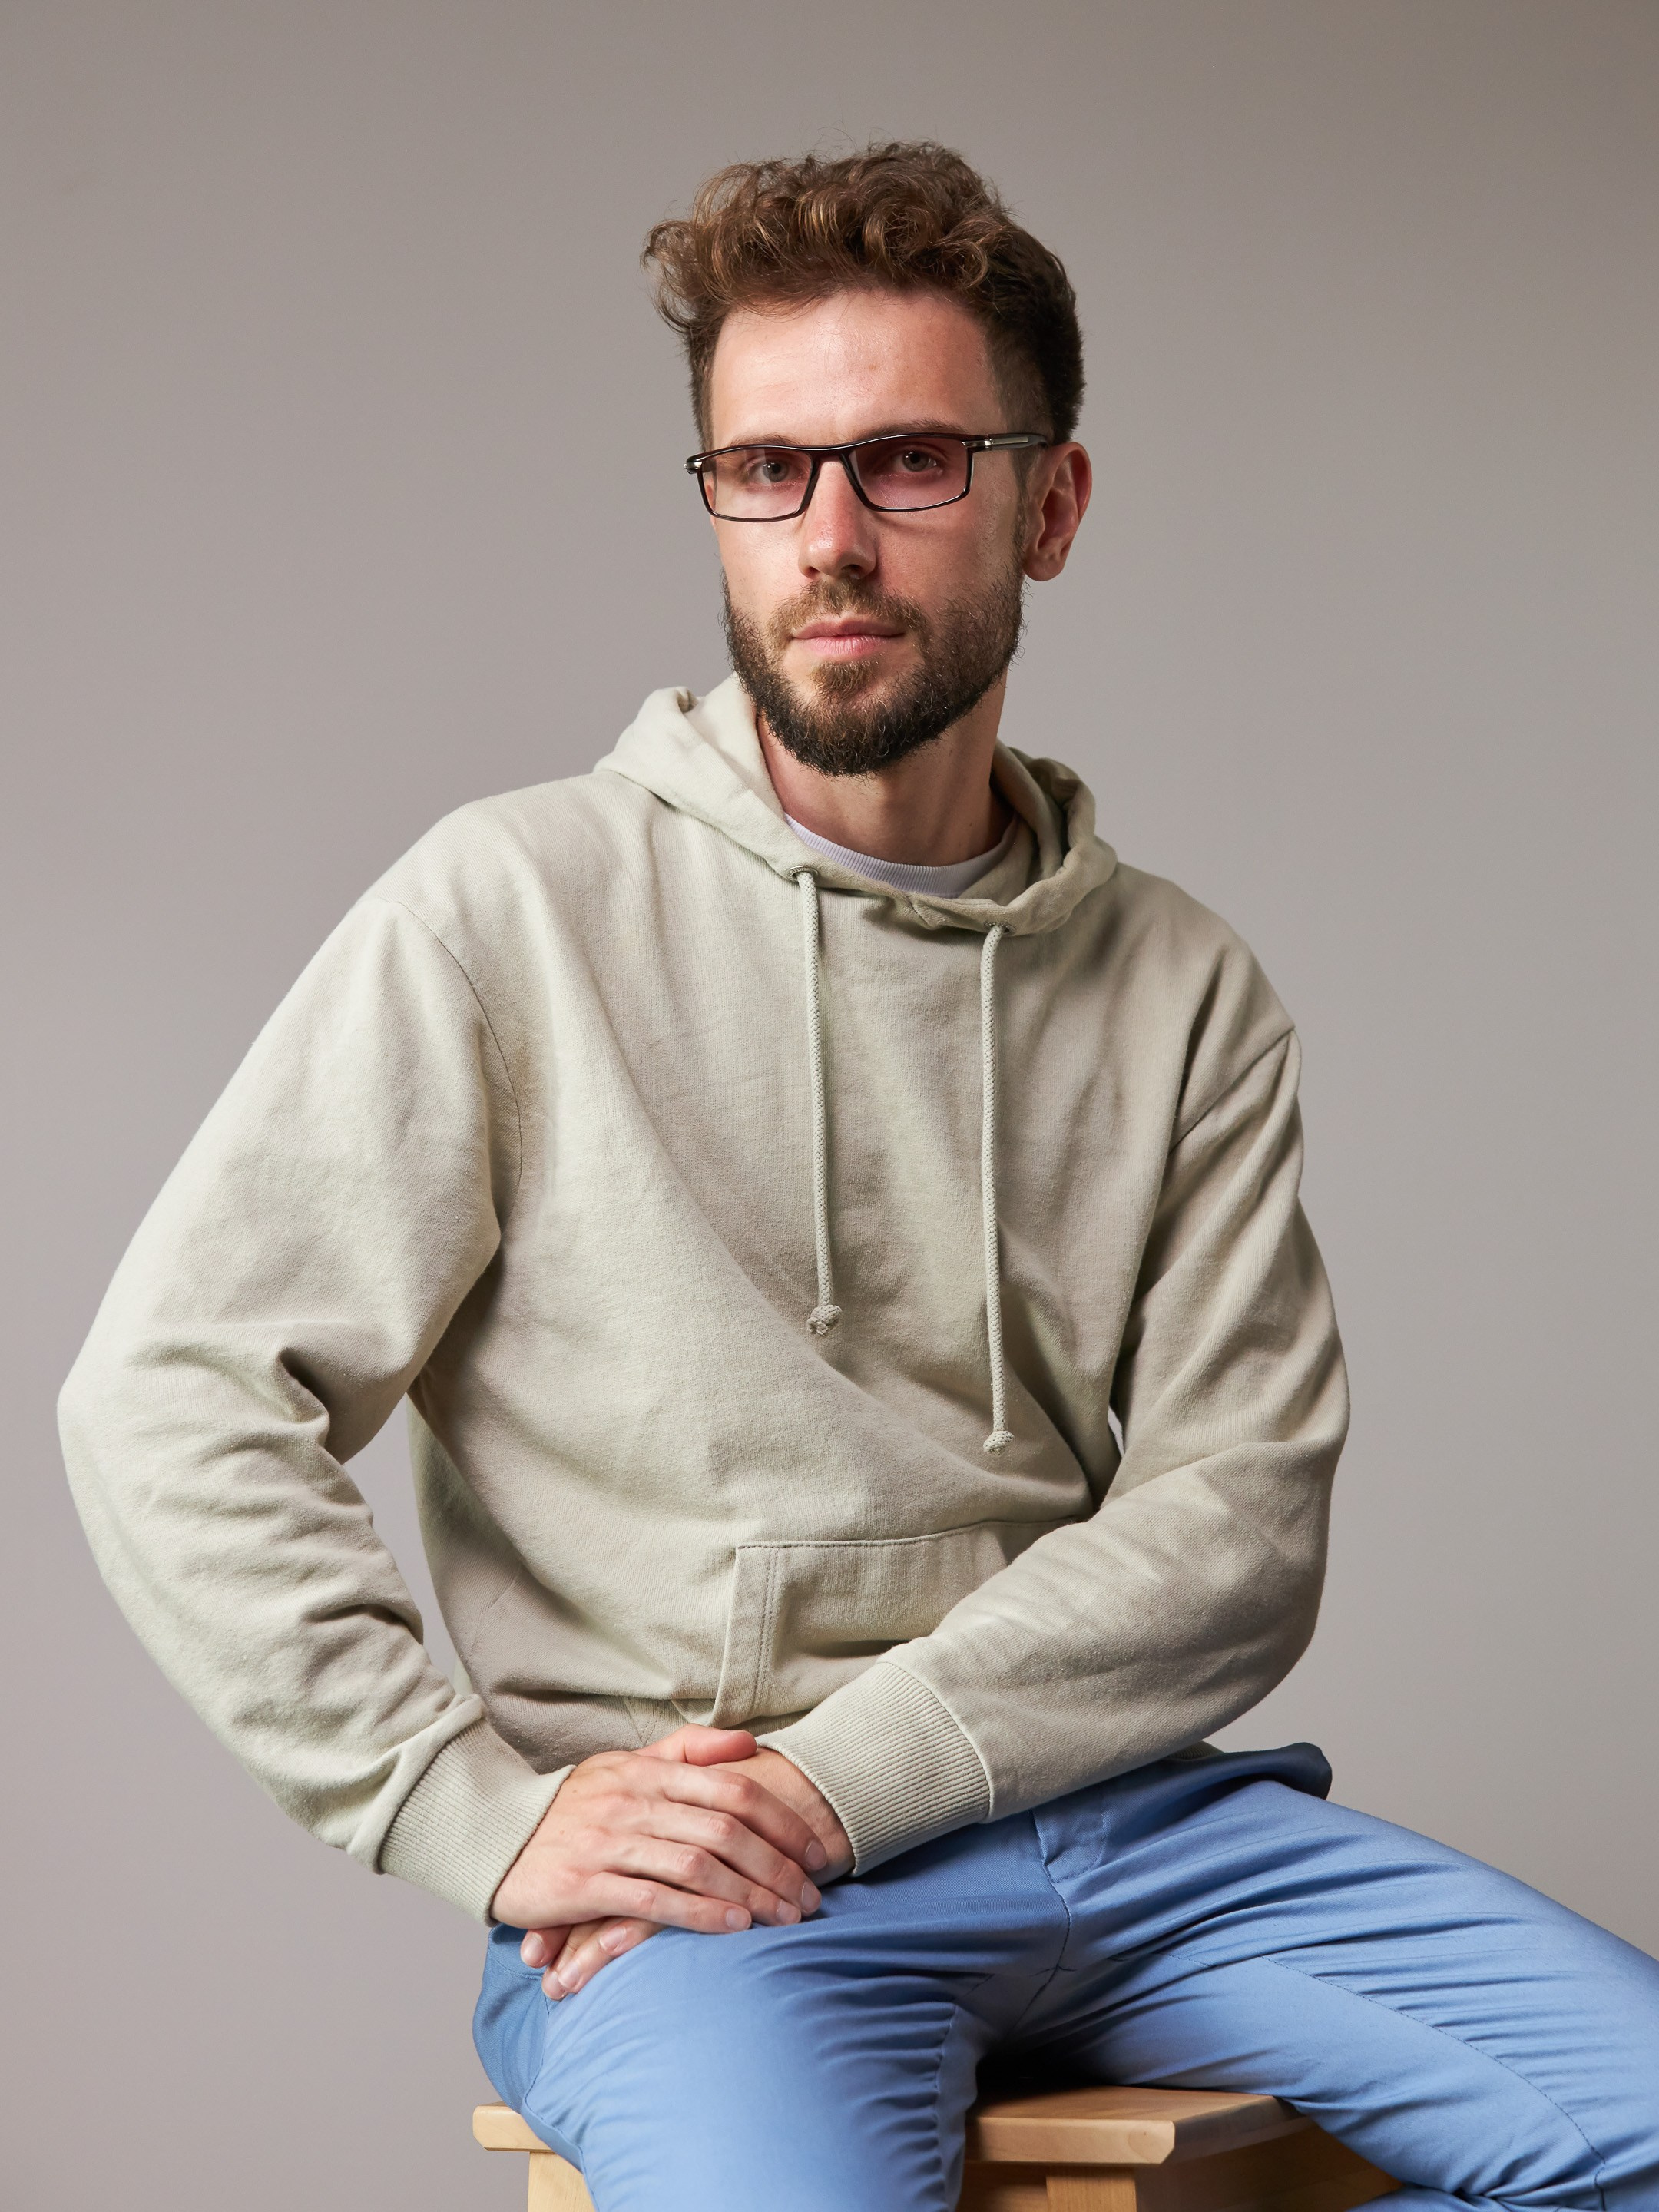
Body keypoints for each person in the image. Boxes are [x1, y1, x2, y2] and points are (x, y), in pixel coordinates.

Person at [61, 143, 1657, 2212]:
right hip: (717, 1895)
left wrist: (848, 1777)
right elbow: (170, 1395)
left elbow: (1239, 1517)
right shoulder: (508, 909)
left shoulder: (1180, 985)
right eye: (763, 470)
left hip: (1138, 1829)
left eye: (905, 464)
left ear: (1047, 504)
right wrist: (464, 1807)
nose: (828, 541)